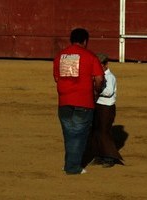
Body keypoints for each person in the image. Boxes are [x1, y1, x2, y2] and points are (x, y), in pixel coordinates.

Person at [53, 28, 104, 175]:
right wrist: (96, 91)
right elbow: (99, 79)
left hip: (64, 101)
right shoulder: (90, 56)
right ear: (85, 41)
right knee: (79, 135)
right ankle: (73, 167)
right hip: (83, 101)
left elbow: (56, 78)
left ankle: (69, 163)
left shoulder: (60, 56)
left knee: (69, 133)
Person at [83, 53, 123, 168]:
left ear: (106, 64)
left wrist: (95, 89)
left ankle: (110, 157)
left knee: (104, 132)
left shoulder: (110, 77)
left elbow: (109, 92)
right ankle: (100, 155)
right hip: (98, 106)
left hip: (107, 108)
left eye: (100, 65)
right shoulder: (98, 75)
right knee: (96, 131)